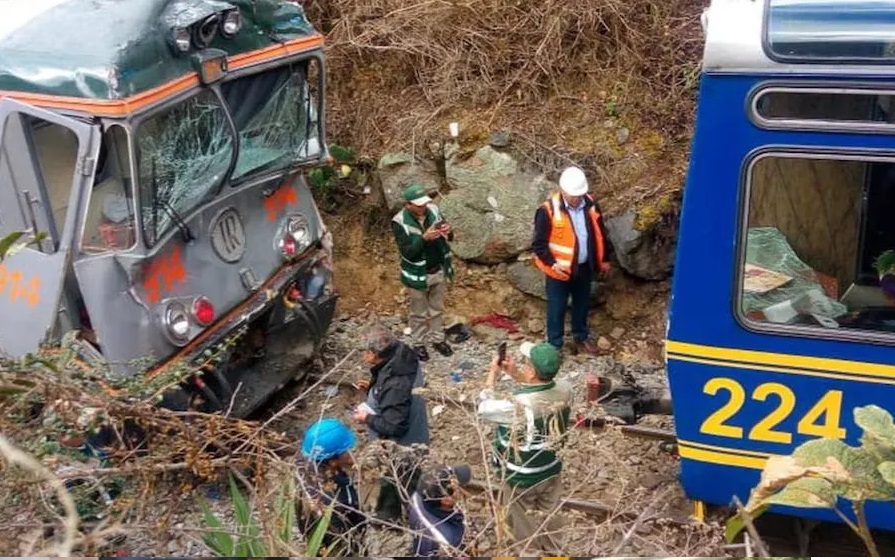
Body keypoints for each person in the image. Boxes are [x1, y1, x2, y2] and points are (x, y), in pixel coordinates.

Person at [476, 341, 573, 554]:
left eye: (526, 364)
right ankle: (554, 552)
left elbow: (482, 409)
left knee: (521, 525)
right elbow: (539, 389)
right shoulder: (565, 389)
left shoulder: (520, 405)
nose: (523, 365)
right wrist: (515, 374)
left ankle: (529, 553)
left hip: (522, 476)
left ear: (531, 371)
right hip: (551, 468)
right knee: (550, 517)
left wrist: (493, 374)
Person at [353, 322, 430, 523]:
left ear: (375, 354)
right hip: (415, 432)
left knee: (397, 477)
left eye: (365, 352)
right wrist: (373, 388)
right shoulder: (400, 354)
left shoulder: (396, 384)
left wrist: (366, 417)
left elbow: (395, 426)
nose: (363, 356)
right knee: (406, 475)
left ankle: (394, 517)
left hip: (402, 445)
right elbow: (387, 384)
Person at [531, 165, 612, 354]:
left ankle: (581, 337)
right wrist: (552, 264)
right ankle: (554, 345)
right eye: (572, 195)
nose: (576, 199)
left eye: (579, 195)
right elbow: (539, 245)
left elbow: (600, 234)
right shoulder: (548, 210)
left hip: (584, 267)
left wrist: (604, 258)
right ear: (563, 191)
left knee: (582, 304)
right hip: (559, 271)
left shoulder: (590, 204)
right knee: (556, 308)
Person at [392, 183, 455, 361]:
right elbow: (408, 252)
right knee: (418, 311)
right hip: (417, 273)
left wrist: (448, 232)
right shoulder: (399, 222)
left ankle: (438, 339)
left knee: (437, 308)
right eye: (419, 205)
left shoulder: (433, 211)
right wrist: (424, 239)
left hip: (438, 269)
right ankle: (418, 343)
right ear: (408, 205)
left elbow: (450, 237)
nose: (423, 208)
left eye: (425, 203)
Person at [297, 417, 367, 556]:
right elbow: (348, 543)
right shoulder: (339, 502)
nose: (352, 451)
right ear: (333, 461)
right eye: (347, 450)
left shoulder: (303, 469)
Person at [408, 463, 473, 557]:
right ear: (446, 500)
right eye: (456, 487)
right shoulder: (450, 542)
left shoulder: (419, 495)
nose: (460, 489)